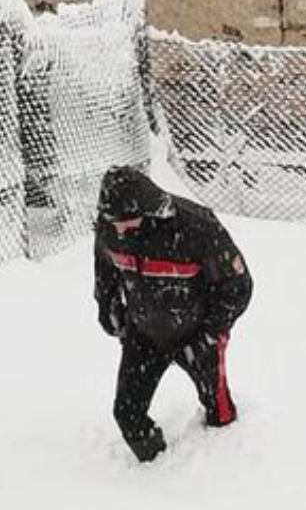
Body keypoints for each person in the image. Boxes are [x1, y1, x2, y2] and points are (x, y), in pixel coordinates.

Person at [94, 165, 253, 462]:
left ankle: (223, 466)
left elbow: (239, 285)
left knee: (220, 415)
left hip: (197, 333)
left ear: (148, 209)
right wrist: (109, 310)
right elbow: (105, 273)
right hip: (143, 334)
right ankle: (156, 470)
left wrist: (210, 334)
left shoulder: (196, 227)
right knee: (127, 415)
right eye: (112, 222)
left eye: (126, 221)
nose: (118, 229)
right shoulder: (110, 225)